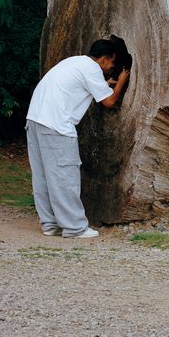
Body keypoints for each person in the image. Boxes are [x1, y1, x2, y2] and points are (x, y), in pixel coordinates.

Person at [25, 39, 130, 238]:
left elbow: (78, 88)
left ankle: (50, 224)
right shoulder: (91, 69)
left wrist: (104, 85)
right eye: (111, 63)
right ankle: (74, 227)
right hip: (56, 125)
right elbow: (109, 101)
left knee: (43, 176)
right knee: (65, 175)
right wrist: (121, 82)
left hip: (35, 119)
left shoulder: (74, 62)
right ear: (102, 59)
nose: (112, 68)